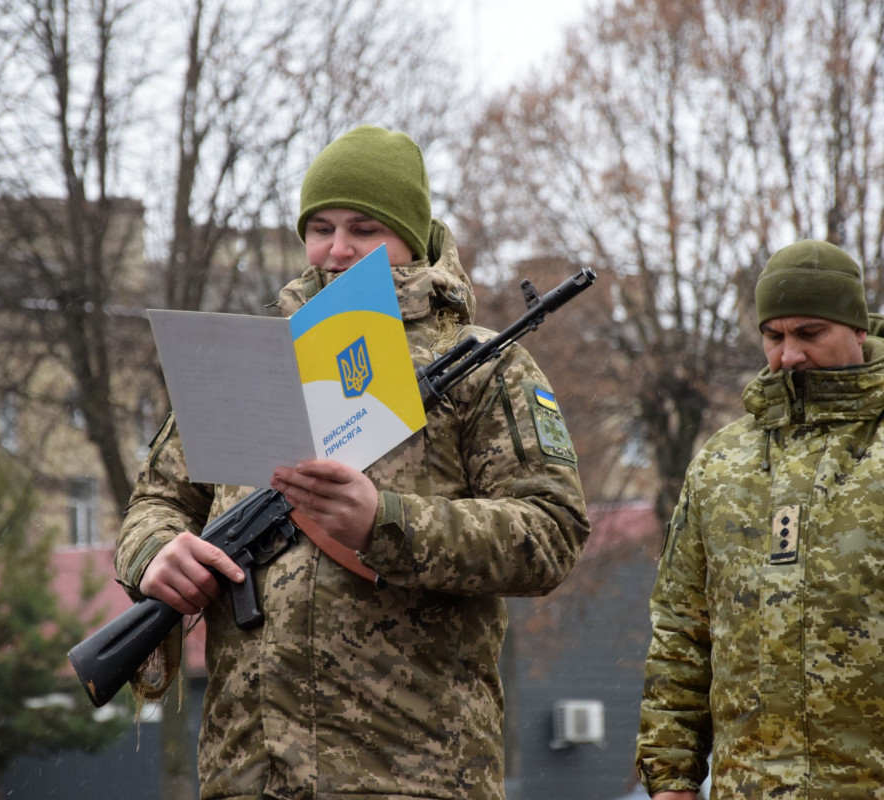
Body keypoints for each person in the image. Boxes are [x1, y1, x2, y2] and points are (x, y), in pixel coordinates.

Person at [115, 125, 590, 800]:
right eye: (320, 228)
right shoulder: (250, 359)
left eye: (364, 228)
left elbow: (551, 533)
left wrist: (385, 522)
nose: (336, 250)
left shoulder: (488, 367)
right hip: (244, 773)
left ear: (410, 235)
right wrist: (154, 555)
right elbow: (157, 501)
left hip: (411, 774)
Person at [635, 240, 884, 799]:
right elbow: (681, 633)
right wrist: (670, 777)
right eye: (774, 336)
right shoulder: (720, 463)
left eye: (810, 334)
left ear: (858, 329)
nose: (789, 356)